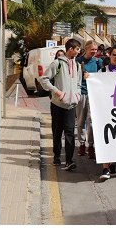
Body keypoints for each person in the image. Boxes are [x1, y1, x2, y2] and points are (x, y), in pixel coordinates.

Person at [39, 38, 82, 171]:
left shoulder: (78, 65)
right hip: (57, 105)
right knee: (57, 132)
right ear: (71, 49)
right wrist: (57, 92)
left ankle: (69, 160)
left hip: (71, 105)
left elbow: (79, 83)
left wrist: (77, 95)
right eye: (77, 49)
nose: (79, 51)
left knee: (70, 132)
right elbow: (44, 79)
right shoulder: (57, 63)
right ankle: (57, 156)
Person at [98, 46, 116, 181]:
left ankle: (112, 165)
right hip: (105, 109)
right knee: (106, 137)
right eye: (115, 55)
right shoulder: (102, 71)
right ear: (110, 55)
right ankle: (105, 167)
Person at [75, 40, 105, 160]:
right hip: (81, 93)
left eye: (95, 49)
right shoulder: (78, 61)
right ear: (86, 49)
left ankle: (91, 145)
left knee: (91, 120)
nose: (94, 51)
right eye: (92, 49)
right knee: (81, 120)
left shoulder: (98, 61)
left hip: (93, 94)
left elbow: (103, 75)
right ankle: (82, 144)